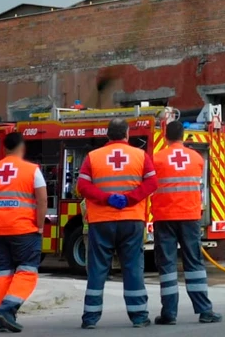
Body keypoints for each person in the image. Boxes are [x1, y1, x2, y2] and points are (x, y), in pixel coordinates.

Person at [77, 118, 158, 329]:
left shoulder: (93, 157)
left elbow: (83, 186)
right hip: (131, 220)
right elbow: (152, 183)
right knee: (132, 268)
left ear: (107, 135)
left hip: (101, 221)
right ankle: (139, 316)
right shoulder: (140, 155)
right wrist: (129, 199)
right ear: (127, 134)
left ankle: (90, 318)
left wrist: (106, 198)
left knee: (97, 269)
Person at [0, 131, 48, 333]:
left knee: (0, 273)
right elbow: (42, 200)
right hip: (24, 229)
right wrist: (40, 226)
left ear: (5, 148)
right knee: (27, 271)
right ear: (22, 148)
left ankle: (1, 314)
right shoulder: (32, 170)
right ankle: (6, 310)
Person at [150, 121, 221, 325]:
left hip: (164, 218)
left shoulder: (157, 159)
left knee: (167, 265)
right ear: (183, 135)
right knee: (194, 263)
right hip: (190, 216)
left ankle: (169, 313)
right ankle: (205, 310)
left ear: (165, 136)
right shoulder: (197, 158)